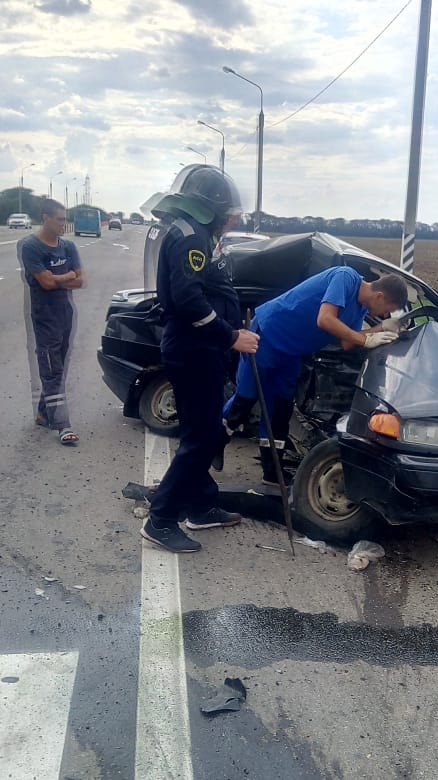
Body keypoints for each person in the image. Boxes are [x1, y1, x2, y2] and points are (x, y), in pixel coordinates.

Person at [140, 165, 260, 554]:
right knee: (203, 435)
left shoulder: (194, 232)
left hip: (198, 348)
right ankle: (161, 519)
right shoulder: (193, 239)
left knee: (201, 430)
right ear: (214, 208)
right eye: (232, 212)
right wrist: (231, 336)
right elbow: (190, 301)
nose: (235, 218)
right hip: (195, 350)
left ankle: (200, 504)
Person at [222, 266, 409, 485]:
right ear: (380, 295)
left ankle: (272, 473)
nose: (384, 315)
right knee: (245, 400)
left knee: (280, 410)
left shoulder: (359, 309)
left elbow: (348, 342)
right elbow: (325, 319)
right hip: (267, 336)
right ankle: (207, 451)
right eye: (388, 310)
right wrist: (366, 340)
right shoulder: (345, 278)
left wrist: (381, 330)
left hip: (291, 352)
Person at [19, 199, 84, 445]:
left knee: (60, 366)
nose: (63, 224)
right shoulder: (31, 247)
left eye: (65, 219)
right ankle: (62, 425)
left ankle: (43, 413)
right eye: (59, 219)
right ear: (45, 218)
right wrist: (66, 275)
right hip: (44, 317)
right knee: (51, 368)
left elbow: (80, 280)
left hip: (66, 314)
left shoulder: (68, 247)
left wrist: (59, 277)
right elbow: (44, 284)